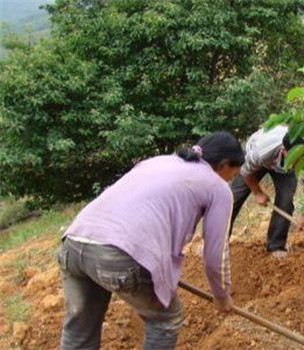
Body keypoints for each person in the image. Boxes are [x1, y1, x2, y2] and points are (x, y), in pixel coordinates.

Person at [57, 132, 245, 350]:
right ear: (224, 165)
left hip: (74, 242)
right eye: (234, 173)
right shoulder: (217, 187)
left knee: (79, 331)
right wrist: (221, 296)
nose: (231, 179)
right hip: (121, 253)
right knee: (165, 320)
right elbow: (215, 255)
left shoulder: (158, 161)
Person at [229, 125, 304, 259]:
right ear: (284, 151)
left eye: (301, 159)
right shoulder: (262, 150)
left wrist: (303, 213)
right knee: (232, 198)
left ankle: (276, 245)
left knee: (286, 200)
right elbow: (245, 171)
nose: (299, 162)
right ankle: (215, 242)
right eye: (295, 158)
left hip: (284, 169)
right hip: (257, 162)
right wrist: (257, 192)